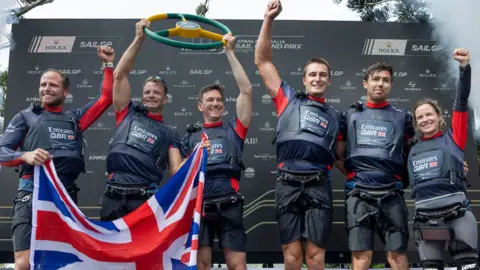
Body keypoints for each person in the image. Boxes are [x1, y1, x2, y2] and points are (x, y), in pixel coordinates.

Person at [0, 46, 115, 270]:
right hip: (31, 195)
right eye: (43, 84)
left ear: (66, 92)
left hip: (66, 199)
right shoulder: (26, 117)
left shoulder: (75, 120)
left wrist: (108, 65)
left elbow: (106, 98)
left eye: (53, 85)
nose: (46, 89)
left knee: (63, 261)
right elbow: (1, 152)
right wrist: (26, 155)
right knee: (24, 264)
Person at [255, 1, 344, 268]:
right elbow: (262, 60)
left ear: (329, 80)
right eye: (312, 74)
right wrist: (268, 19)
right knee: (291, 255)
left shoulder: (338, 117)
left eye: (323, 75)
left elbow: (342, 159)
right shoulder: (287, 99)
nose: (317, 78)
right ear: (304, 79)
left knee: (316, 255)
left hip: (319, 186)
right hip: (287, 184)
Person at [100, 19, 210, 222]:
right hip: (112, 196)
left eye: (156, 93)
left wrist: (196, 153)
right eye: (147, 92)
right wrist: (139, 38)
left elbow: (177, 169)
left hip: (144, 200)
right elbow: (120, 75)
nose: (151, 95)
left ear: (165, 99)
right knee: (109, 253)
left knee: (140, 254)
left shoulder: (169, 133)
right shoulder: (127, 112)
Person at [181, 33, 252, 270]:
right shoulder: (190, 136)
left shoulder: (235, 129)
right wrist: (195, 156)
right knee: (202, 265)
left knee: (237, 265)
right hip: (200, 206)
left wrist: (230, 52)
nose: (215, 103)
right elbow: (177, 173)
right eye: (209, 100)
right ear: (200, 106)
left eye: (219, 100)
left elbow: (246, 91)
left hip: (230, 205)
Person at [336, 61, 416, 270]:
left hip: (392, 195)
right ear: (365, 83)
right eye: (376, 79)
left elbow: (416, 151)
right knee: (362, 258)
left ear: (391, 85)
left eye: (386, 80)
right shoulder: (350, 115)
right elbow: (338, 155)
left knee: (397, 256)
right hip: (358, 195)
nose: (380, 84)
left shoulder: (403, 117)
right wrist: (358, 176)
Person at [408, 48, 478, 270]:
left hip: (457, 212)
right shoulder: (411, 149)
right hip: (424, 217)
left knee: (468, 265)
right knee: (429, 266)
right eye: (420, 117)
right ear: (416, 123)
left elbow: (461, 99)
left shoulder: (454, 137)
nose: (425, 119)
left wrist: (464, 68)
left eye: (429, 114)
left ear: (439, 116)